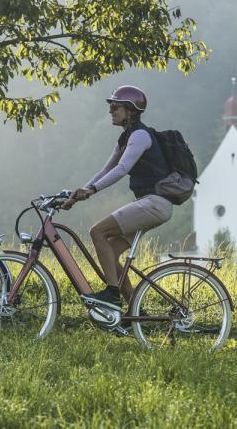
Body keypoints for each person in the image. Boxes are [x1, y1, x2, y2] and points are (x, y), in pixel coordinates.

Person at [62, 85, 173, 311]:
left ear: (131, 111)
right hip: (149, 204)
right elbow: (105, 171)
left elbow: (122, 169)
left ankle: (112, 293)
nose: (111, 110)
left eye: (115, 106)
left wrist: (91, 191)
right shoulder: (126, 139)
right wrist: (80, 193)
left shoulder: (141, 135)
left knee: (97, 231)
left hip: (154, 203)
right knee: (111, 252)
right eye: (110, 106)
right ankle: (135, 310)